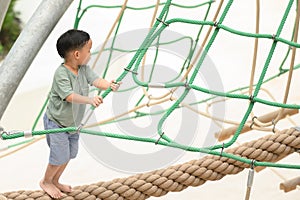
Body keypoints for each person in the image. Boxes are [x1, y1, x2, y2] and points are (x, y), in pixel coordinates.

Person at [40, 29, 120, 198]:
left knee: (69, 154)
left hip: (73, 123)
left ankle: (55, 180)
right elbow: (69, 96)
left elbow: (96, 80)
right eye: (88, 50)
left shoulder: (84, 69)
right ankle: (46, 181)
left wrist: (108, 84)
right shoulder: (61, 74)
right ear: (77, 54)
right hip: (57, 122)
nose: (90, 54)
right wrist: (90, 100)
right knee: (59, 156)